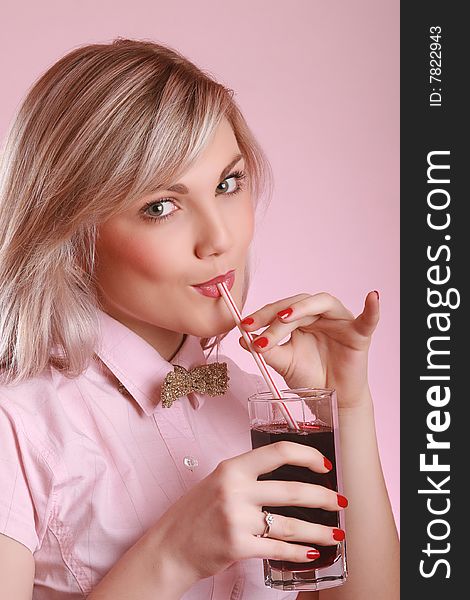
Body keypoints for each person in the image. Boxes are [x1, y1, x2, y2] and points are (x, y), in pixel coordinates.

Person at [0, 38, 399, 599]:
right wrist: (171, 554)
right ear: (71, 230)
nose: (221, 238)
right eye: (160, 206)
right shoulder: (15, 425)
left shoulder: (256, 404)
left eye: (227, 184)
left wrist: (346, 404)